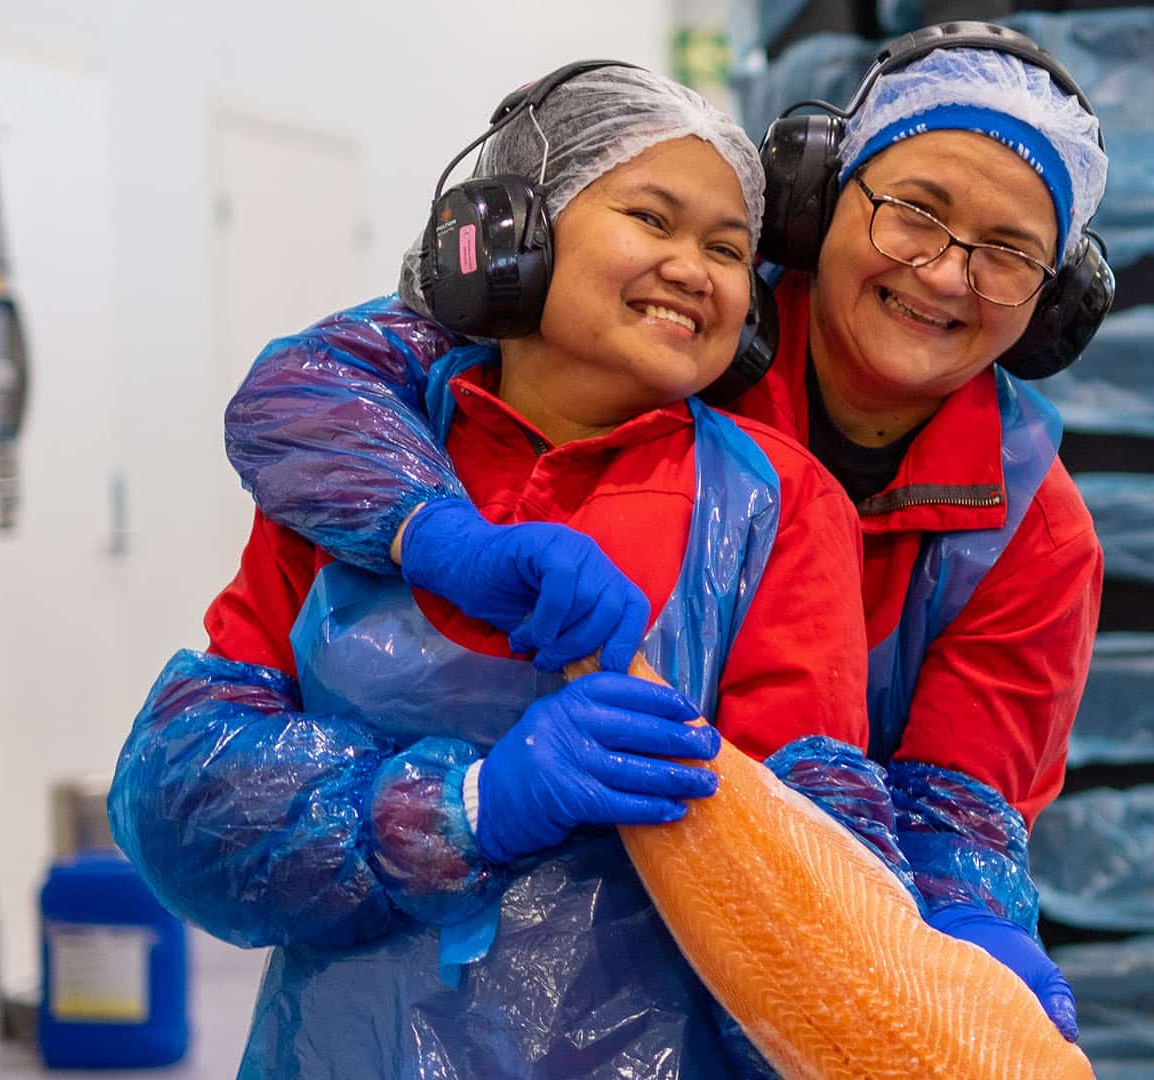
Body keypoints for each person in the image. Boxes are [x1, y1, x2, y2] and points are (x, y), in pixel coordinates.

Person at [220, 23, 1108, 1041]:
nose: (948, 275)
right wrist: (436, 536)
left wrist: (964, 932)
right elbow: (317, 384)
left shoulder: (1031, 532)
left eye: (1009, 253)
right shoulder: (659, 335)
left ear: (1054, 304)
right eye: (916, 212)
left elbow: (952, 803)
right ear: (819, 203)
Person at [108, 63, 901, 1078]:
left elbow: (818, 906)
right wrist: (469, 808)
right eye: (652, 219)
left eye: (728, 248)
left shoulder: (774, 507)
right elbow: (184, 802)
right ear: (517, 232)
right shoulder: (364, 474)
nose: (695, 269)